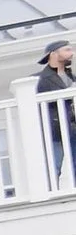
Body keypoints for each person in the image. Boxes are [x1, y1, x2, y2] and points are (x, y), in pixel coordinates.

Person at [39, 42, 76, 186]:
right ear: (53, 54)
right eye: (67, 50)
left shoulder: (71, 77)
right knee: (53, 166)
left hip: (73, 128)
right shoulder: (40, 80)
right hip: (55, 130)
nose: (71, 53)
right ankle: (49, 190)